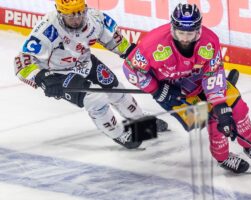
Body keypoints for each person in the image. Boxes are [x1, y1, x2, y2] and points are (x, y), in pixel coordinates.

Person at [123, 3, 251, 173]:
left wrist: (219, 103)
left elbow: (214, 72)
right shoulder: (153, 44)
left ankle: (250, 146)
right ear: (173, 28)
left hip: (200, 79)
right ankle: (223, 158)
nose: (185, 38)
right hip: (171, 91)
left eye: (190, 33)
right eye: (181, 32)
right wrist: (156, 90)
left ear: (198, 30)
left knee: (238, 108)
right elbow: (130, 69)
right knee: (207, 118)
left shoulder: (210, 41)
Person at [13, 0, 168, 149]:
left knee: (116, 90)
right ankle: (118, 133)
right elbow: (21, 63)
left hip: (86, 63)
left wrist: (132, 55)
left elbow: (117, 42)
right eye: (70, 15)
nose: (76, 19)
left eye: (79, 13)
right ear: (59, 12)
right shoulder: (47, 30)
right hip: (59, 73)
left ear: (85, 8)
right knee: (95, 98)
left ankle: (140, 120)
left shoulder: (96, 19)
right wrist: (42, 78)